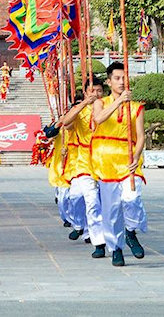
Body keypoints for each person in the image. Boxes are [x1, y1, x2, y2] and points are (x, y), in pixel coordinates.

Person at [91, 62, 147, 267]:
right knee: (112, 210)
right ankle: (116, 248)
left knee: (132, 198)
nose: (122, 82)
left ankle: (131, 231)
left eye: (124, 78)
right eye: (117, 78)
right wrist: (119, 102)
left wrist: (136, 156)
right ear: (109, 81)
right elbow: (99, 119)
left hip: (128, 160)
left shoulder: (136, 107)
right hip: (106, 161)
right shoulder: (101, 102)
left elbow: (141, 136)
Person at [58, 78, 105, 256]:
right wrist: (84, 103)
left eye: (99, 91)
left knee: (94, 202)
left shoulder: (108, 107)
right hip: (84, 160)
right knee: (76, 198)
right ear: (85, 92)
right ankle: (78, 224)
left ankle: (98, 241)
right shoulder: (80, 110)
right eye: (92, 91)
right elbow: (66, 122)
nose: (96, 94)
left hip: (104, 159)